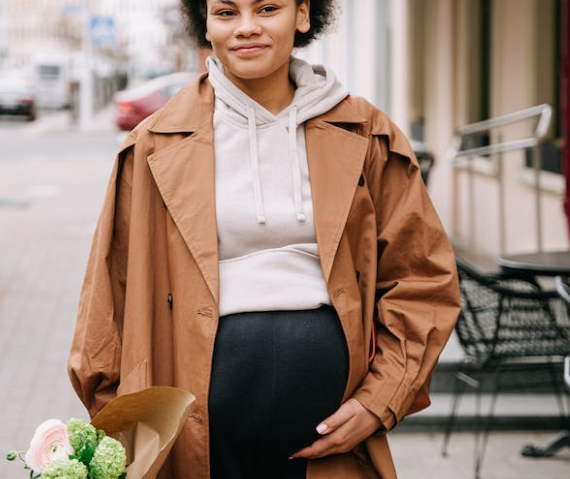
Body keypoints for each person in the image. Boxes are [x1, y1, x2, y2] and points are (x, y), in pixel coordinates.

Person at [68, 1, 461, 478]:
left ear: (301, 14)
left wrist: (380, 401)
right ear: (205, 23)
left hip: (334, 441)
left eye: (267, 8)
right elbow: (105, 307)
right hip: (193, 442)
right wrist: (125, 434)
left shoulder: (366, 133)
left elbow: (422, 279)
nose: (246, 28)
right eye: (226, 12)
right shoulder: (155, 144)